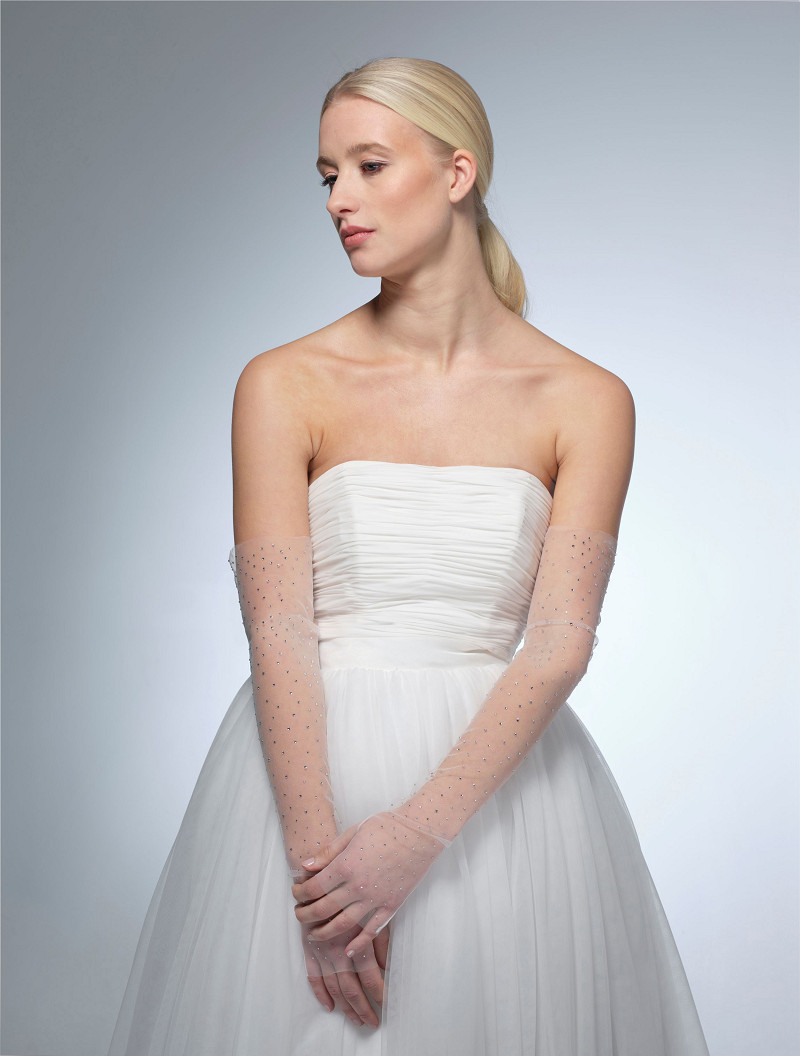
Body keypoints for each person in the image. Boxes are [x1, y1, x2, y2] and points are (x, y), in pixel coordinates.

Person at [107, 56, 710, 1055]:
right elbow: (279, 632)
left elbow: (559, 642)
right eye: (326, 175)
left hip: (497, 805)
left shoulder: (586, 399)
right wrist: (323, 884)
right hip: (305, 786)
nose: (338, 200)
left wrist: (417, 833)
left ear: (457, 173)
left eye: (369, 165)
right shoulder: (283, 382)